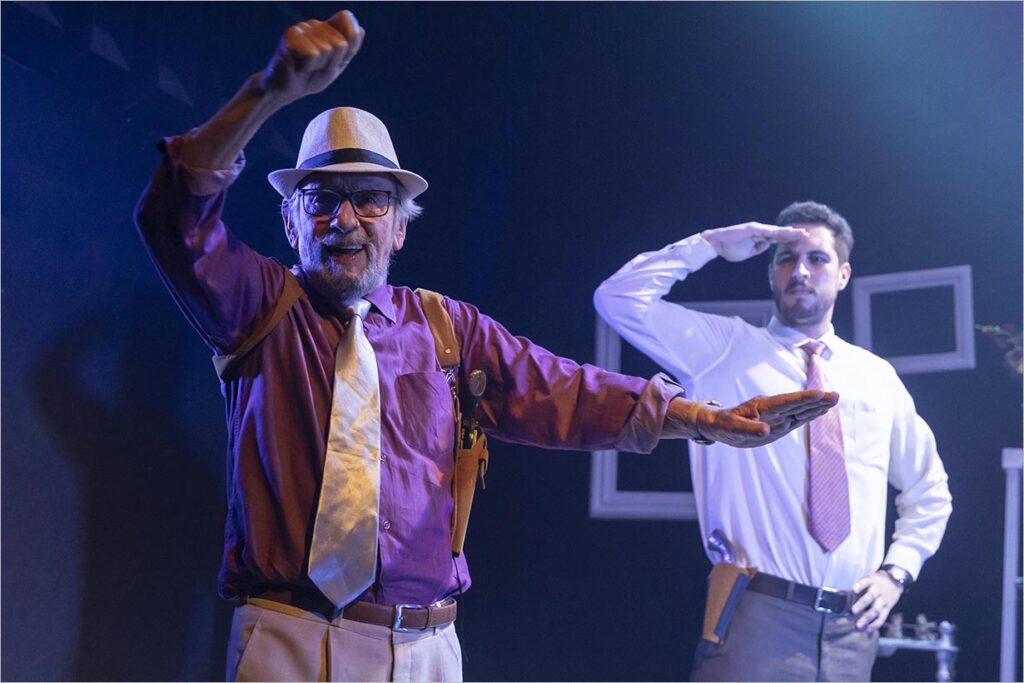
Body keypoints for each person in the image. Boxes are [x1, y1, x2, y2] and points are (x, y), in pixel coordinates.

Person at [135, 10, 838, 683]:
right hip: (289, 637)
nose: (344, 218)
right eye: (320, 198)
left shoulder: (445, 328)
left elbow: (563, 388)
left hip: (425, 648)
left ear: (400, 227)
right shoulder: (259, 307)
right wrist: (269, 92)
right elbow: (175, 213)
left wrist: (704, 419)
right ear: (292, 222)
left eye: (371, 199)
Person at [594, 203, 953, 681]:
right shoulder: (723, 348)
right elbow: (617, 298)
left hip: (853, 630)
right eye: (786, 258)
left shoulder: (875, 377)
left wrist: (897, 573)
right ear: (769, 274)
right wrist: (711, 244)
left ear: (843, 273)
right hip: (758, 612)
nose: (800, 271)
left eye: (817, 259)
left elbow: (929, 489)